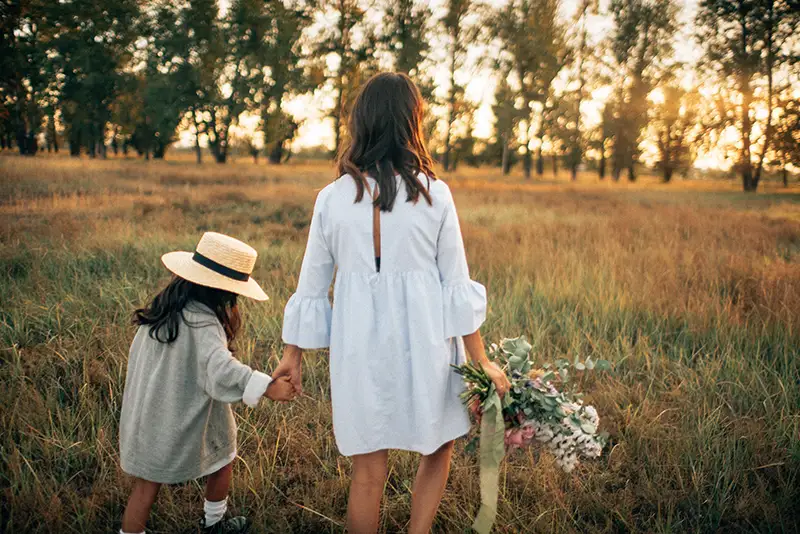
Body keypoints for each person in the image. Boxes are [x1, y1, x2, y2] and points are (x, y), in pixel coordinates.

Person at [274, 72, 511, 533]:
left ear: (360, 123)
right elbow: (454, 284)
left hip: (358, 347)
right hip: (426, 342)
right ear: (412, 123)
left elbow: (311, 285)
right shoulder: (435, 195)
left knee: (367, 471)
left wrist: (292, 357)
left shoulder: (331, 198)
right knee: (437, 447)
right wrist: (480, 360)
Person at [119, 232, 296, 534]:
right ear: (224, 293)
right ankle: (214, 524)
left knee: (147, 485)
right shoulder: (203, 323)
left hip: (151, 412)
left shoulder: (162, 311)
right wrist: (268, 387)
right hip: (180, 414)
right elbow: (222, 369)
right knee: (222, 458)